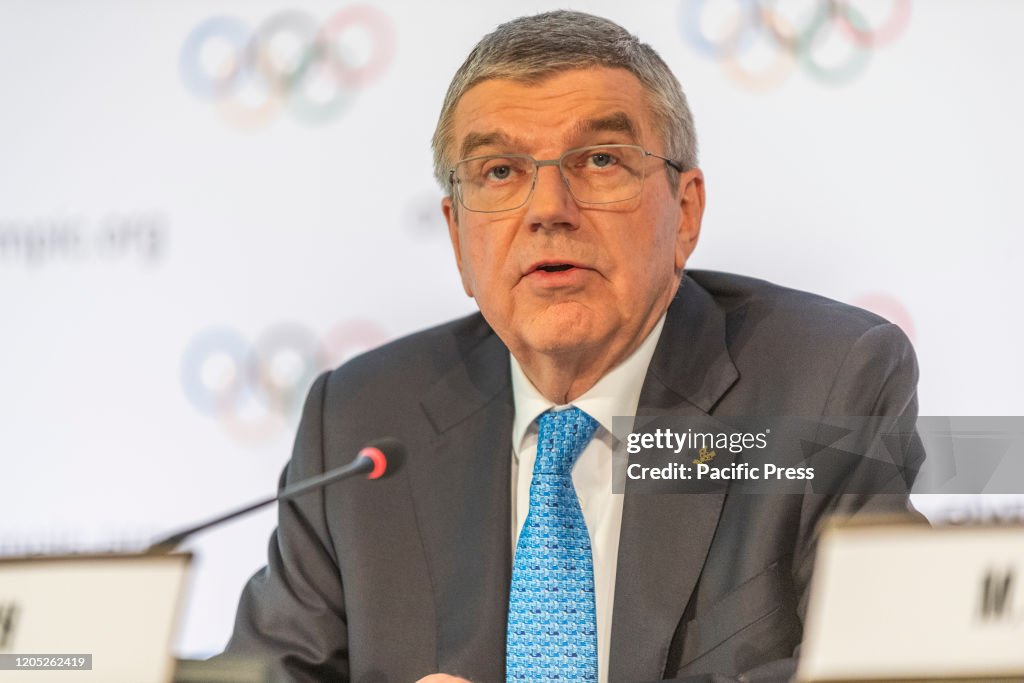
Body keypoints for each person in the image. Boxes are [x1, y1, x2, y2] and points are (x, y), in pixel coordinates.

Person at [222, 10, 921, 683]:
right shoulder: (362, 420)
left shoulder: (829, 382)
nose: (549, 207)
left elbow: (891, 663)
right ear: (458, 237)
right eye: (499, 172)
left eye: (599, 160)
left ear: (685, 213)